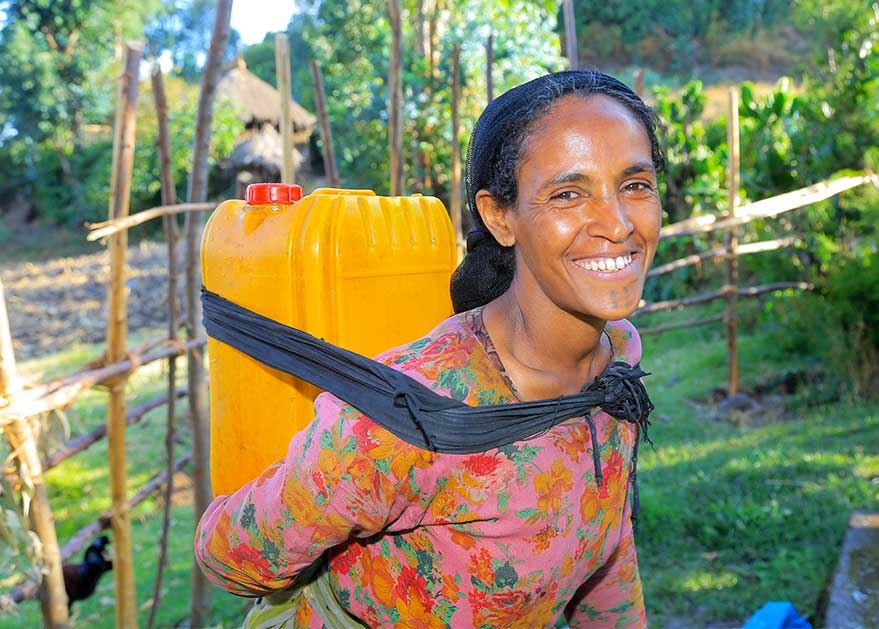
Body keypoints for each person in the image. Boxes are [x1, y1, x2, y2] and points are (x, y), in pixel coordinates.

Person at [195, 68, 666, 628]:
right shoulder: (411, 418)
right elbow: (231, 558)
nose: (617, 223)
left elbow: (607, 541)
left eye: (635, 185)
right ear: (500, 217)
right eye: (568, 193)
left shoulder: (617, 365)